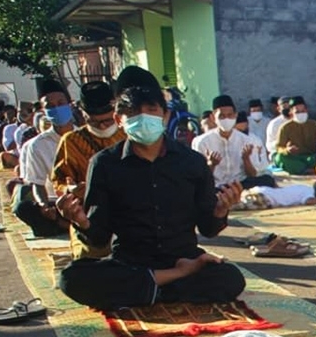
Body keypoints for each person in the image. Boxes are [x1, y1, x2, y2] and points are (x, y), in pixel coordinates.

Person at [55, 68, 245, 311]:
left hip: (184, 256)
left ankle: (149, 288)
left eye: (151, 110)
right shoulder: (104, 164)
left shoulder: (192, 162)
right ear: (118, 120)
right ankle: (169, 280)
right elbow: (99, 238)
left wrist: (220, 210)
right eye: (132, 113)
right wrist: (81, 222)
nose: (143, 118)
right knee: (71, 278)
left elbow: (208, 228)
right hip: (131, 262)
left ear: (165, 116)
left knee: (230, 278)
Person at [51, 81, 126, 259]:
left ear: (117, 115)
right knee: (89, 265)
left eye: (107, 121)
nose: (102, 127)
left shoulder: (129, 135)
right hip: (87, 215)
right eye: (95, 121)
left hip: (129, 215)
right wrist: (71, 190)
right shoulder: (71, 141)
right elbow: (59, 181)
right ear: (84, 115)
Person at [12, 77, 74, 238]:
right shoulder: (36, 145)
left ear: (70, 104)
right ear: (44, 112)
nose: (57, 108)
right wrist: (44, 205)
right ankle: (68, 225)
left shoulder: (84, 136)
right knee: (23, 207)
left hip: (84, 200)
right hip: (56, 203)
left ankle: (67, 226)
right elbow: (37, 184)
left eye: (61, 103)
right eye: (50, 106)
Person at [192, 95, 277, 189]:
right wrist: (211, 165)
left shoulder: (246, 140)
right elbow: (200, 178)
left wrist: (246, 159)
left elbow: (252, 174)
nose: (226, 119)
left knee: (267, 179)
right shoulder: (202, 142)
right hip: (216, 186)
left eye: (230, 115)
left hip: (239, 184)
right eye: (222, 116)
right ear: (213, 117)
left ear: (235, 115)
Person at [273, 96, 316, 174]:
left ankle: (307, 169)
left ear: (307, 110)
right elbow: (279, 147)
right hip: (296, 158)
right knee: (279, 157)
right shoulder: (285, 127)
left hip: (312, 157)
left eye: (303, 111)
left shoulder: (315, 125)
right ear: (291, 112)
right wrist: (287, 150)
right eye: (297, 112)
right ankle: (305, 170)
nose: (301, 114)